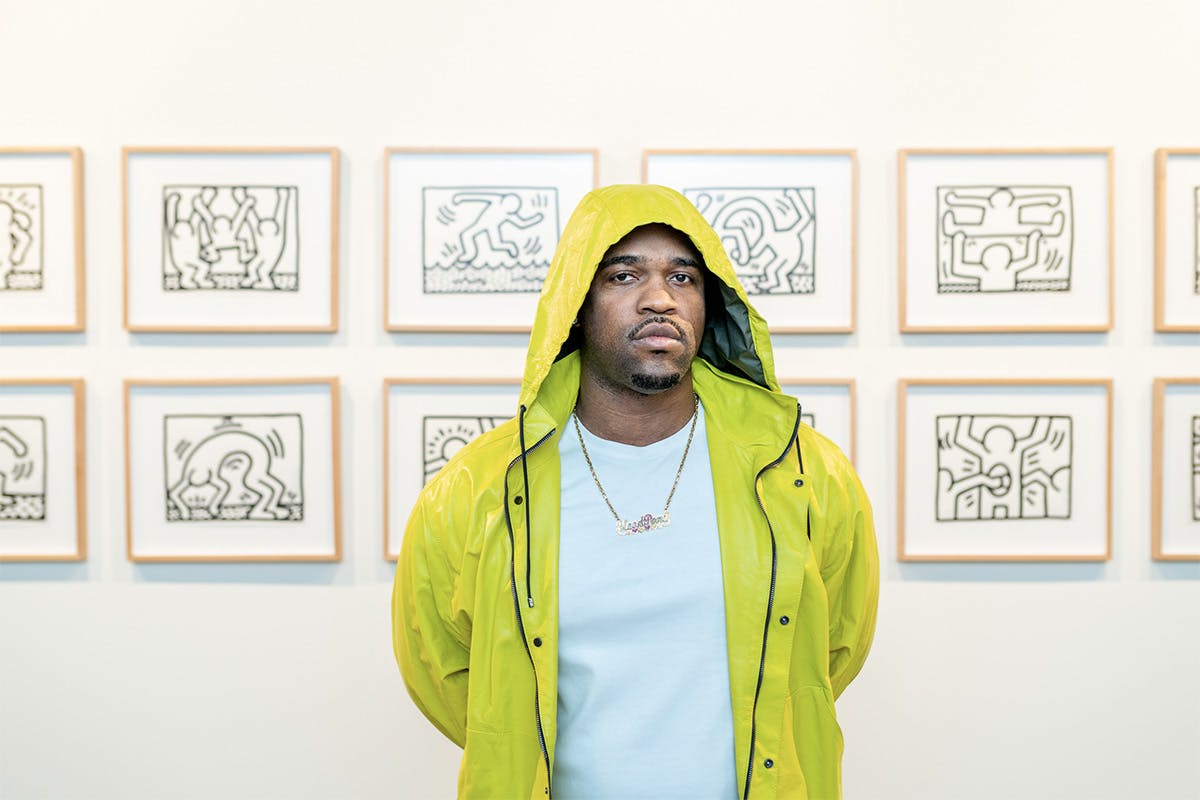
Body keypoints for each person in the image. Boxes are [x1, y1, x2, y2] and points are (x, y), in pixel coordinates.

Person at [393, 184, 878, 799]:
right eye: (624, 276)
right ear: (578, 303)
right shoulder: (479, 488)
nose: (660, 300)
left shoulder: (802, 473)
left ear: (711, 304)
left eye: (683, 278)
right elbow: (443, 667)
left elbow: (830, 649)